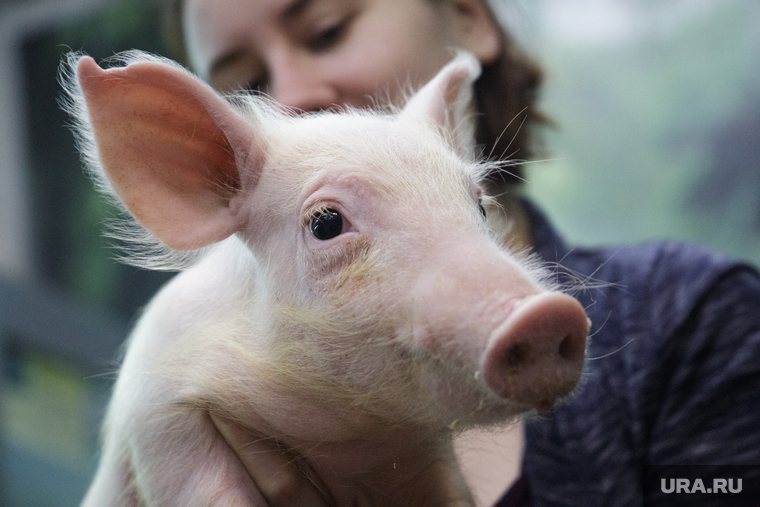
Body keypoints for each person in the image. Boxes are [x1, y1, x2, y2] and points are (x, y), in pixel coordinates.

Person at [158, 0, 760, 505]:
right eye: (247, 89)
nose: (292, 99)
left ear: (468, 15)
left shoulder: (693, 321)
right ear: (204, 159)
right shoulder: (193, 380)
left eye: (327, 30)